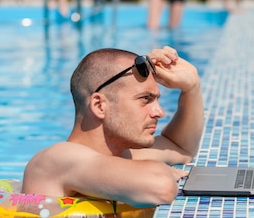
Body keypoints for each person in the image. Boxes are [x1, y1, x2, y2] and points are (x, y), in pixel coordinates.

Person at [22, 46, 203, 207]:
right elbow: (161, 186)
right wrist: (161, 169)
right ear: (100, 106)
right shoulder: (57, 159)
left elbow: (181, 148)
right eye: (145, 99)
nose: (159, 112)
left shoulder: (122, 155)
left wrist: (192, 87)